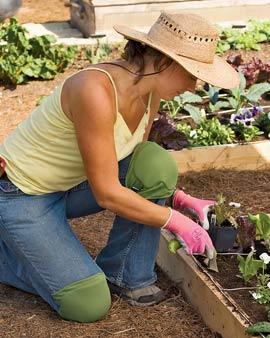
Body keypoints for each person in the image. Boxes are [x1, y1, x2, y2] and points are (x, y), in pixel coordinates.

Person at [0, 11, 239, 323]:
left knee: (154, 163)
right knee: (86, 303)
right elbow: (108, 194)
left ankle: (125, 274)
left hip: (68, 186)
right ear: (165, 61)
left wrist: (179, 199)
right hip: (21, 195)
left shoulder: (150, 92)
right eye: (192, 74)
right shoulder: (93, 90)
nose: (194, 87)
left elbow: (132, 162)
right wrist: (177, 222)